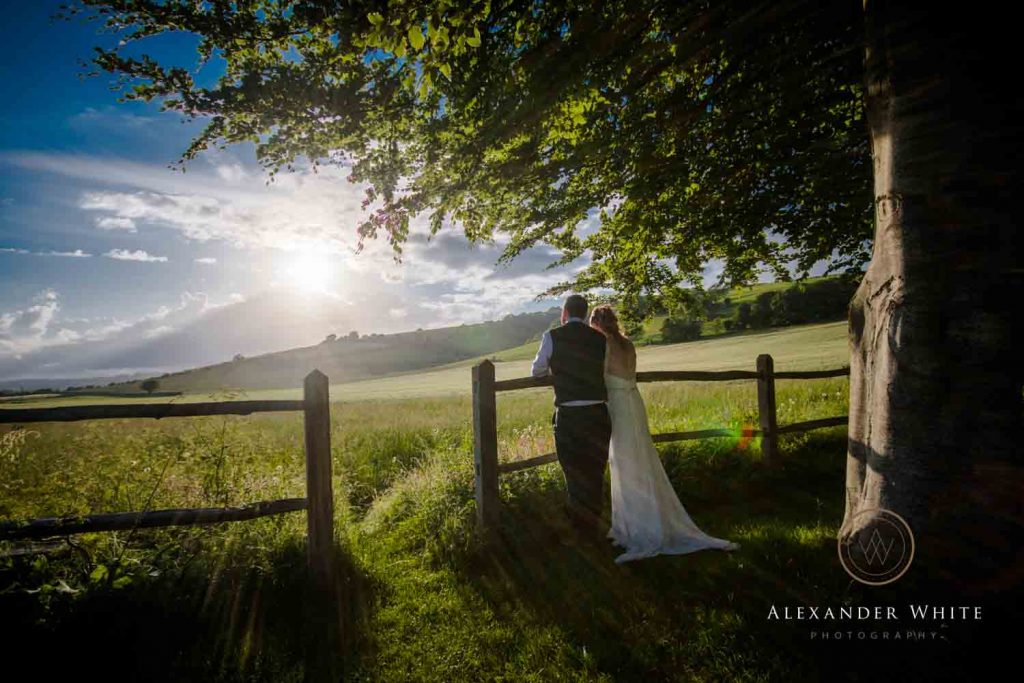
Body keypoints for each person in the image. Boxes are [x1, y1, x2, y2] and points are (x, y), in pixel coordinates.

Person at [588, 304, 740, 563]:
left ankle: (639, 528)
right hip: (634, 402)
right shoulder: (628, 344)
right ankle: (632, 523)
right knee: (641, 460)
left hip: (618, 406)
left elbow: (600, 376)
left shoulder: (604, 345)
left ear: (597, 325)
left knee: (625, 464)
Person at [531, 294, 612, 540]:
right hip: (598, 413)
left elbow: (537, 372)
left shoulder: (551, 336)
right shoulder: (600, 339)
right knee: (595, 471)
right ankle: (594, 526)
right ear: (586, 314)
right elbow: (607, 372)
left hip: (570, 415)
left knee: (574, 472)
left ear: (564, 313)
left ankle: (580, 529)